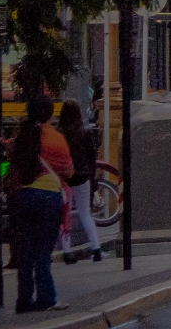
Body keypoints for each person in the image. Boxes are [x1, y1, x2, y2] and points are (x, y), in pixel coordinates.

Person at [9, 96, 73, 313]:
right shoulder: (55, 139)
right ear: (49, 114)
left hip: (24, 197)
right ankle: (46, 298)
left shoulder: (21, 138)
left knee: (25, 252)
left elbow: (14, 170)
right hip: (48, 197)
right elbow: (68, 171)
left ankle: (23, 300)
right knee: (43, 252)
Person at [55, 100, 101, 264]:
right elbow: (92, 158)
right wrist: (92, 176)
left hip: (64, 178)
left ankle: (67, 252)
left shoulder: (60, 134)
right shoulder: (85, 133)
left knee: (64, 213)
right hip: (82, 177)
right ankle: (96, 249)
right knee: (85, 213)